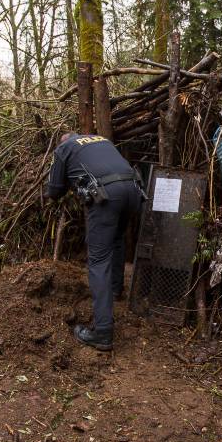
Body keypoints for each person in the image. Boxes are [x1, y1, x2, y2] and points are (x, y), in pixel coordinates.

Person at [44, 132, 142, 351]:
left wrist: (49, 193)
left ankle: (103, 332)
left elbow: (54, 191)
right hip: (133, 191)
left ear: (63, 141)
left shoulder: (64, 149)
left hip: (107, 196)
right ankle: (115, 289)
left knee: (98, 259)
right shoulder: (101, 139)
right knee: (116, 239)